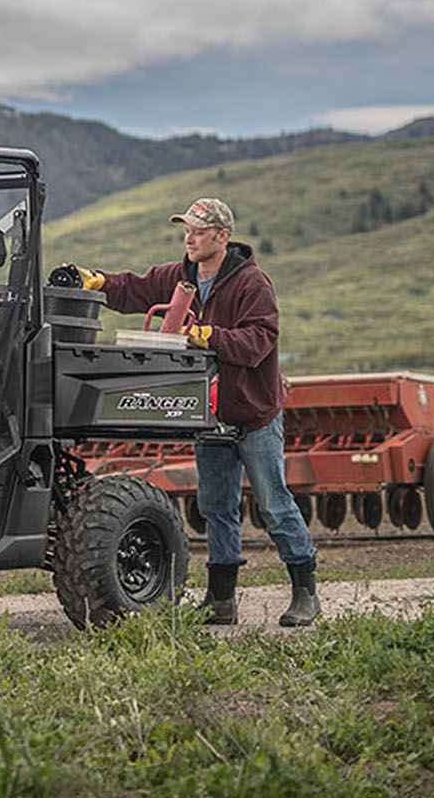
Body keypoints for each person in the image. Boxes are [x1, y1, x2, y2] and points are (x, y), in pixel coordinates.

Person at [51, 198, 320, 626]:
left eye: (198, 230)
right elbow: (135, 288)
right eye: (186, 230)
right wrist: (96, 281)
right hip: (208, 416)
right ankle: (221, 600)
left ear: (221, 236)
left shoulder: (253, 284)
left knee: (273, 504)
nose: (189, 237)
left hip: (254, 416)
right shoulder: (182, 276)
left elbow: (258, 342)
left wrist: (206, 336)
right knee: (216, 508)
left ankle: (306, 592)